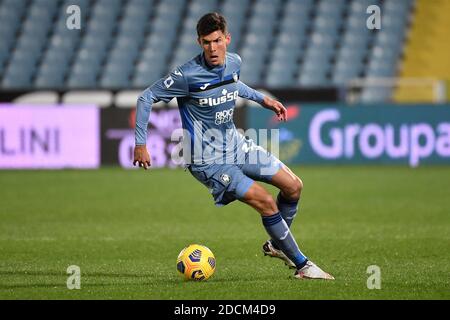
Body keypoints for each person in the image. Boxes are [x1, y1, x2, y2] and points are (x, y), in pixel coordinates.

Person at [133, 12, 334, 280]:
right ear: (199, 42)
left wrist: (264, 100)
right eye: (206, 42)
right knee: (265, 202)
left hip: (236, 144)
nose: (212, 48)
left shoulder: (234, 62)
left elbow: (234, 84)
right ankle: (303, 266)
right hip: (207, 160)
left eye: (217, 41)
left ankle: (277, 244)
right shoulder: (186, 75)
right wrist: (140, 143)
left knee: (293, 186)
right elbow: (146, 98)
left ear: (227, 39)